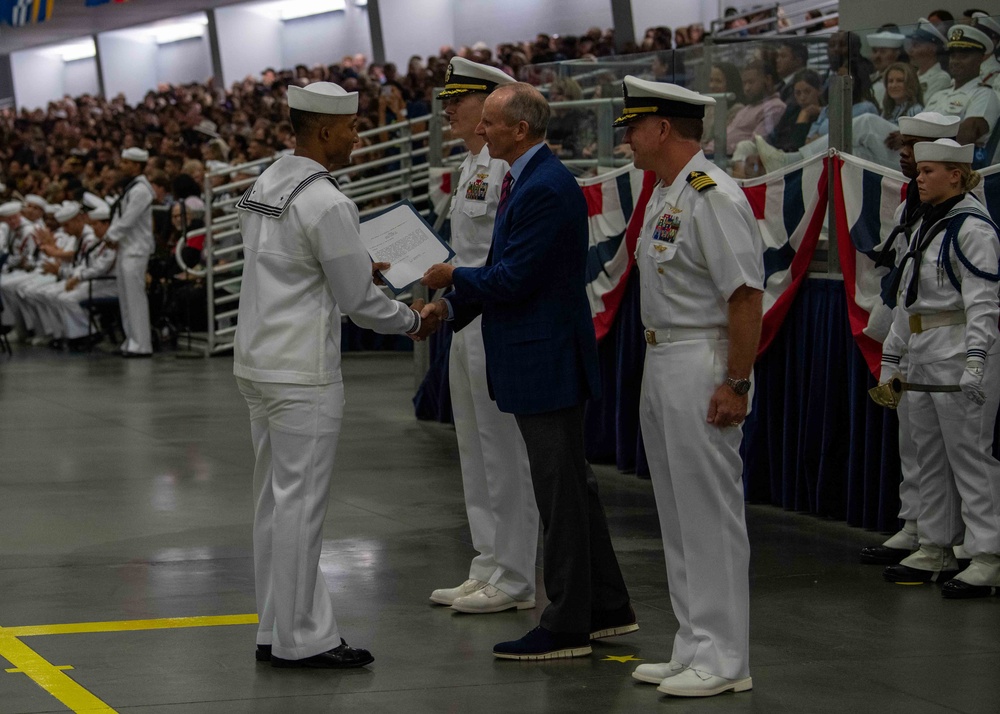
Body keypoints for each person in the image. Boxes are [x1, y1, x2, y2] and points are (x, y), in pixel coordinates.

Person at [420, 82, 635, 661]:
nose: (481, 132)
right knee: (573, 488)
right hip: (538, 353)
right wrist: (454, 304)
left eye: (490, 123)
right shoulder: (525, 178)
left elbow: (512, 278)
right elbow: (501, 265)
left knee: (558, 492)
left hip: (547, 359)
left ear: (520, 129)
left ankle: (566, 623)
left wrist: (451, 278)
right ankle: (609, 604)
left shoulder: (543, 186)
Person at [233, 82, 437, 669]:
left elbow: (297, 266)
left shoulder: (268, 181)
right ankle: (304, 638)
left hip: (261, 362)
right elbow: (359, 302)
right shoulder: (327, 201)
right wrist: (412, 320)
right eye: (350, 128)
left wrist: (350, 265)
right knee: (300, 504)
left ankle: (276, 627)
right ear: (324, 131)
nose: (357, 137)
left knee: (274, 502)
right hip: (302, 371)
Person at [616, 76, 763, 697]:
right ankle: (693, 643)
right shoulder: (666, 195)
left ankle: (727, 658)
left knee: (709, 513)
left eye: (633, 126)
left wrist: (737, 380)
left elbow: (746, 295)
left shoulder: (713, 195)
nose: (626, 137)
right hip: (663, 357)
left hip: (702, 358)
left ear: (663, 129)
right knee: (677, 514)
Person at [426, 57, 539, 615]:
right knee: (474, 448)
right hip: (464, 316)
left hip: (494, 315)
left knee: (504, 452)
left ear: (493, 104)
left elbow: (501, 256)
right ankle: (488, 562)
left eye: (460, 99)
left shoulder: (505, 167)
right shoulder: (472, 162)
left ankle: (516, 574)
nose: (448, 108)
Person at [878, 138, 1000, 598]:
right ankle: (936, 543)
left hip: (960, 344)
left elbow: (983, 301)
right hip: (925, 343)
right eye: (919, 170)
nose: (919, 178)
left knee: (969, 453)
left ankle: (988, 554)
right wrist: (893, 355)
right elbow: (910, 294)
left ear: (956, 174)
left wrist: (976, 359)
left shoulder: (973, 229)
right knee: (928, 452)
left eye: (929, 171)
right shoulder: (928, 223)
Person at [860, 112, 960, 566]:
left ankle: (959, 538)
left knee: (955, 445)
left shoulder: (959, 209)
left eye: (916, 147)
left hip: (949, 337)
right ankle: (916, 522)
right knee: (913, 436)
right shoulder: (909, 207)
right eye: (903, 145)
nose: (904, 153)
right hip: (910, 328)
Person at [104, 147, 155, 357]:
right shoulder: (132, 188)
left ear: (136, 165)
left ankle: (142, 344)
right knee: (125, 299)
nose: (121, 166)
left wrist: (111, 236)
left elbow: (128, 219)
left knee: (135, 299)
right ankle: (130, 340)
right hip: (127, 248)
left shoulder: (141, 190)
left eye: (125, 163)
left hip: (136, 249)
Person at [906, 19, 952, 105]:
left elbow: (925, 107)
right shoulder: (913, 76)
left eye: (916, 45)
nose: (910, 50)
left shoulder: (941, 79)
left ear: (931, 49)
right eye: (911, 45)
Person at [868, 31, 907, 108]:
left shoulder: (904, 80)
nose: (877, 56)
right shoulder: (869, 79)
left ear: (896, 54)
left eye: (883, 52)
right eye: (875, 51)